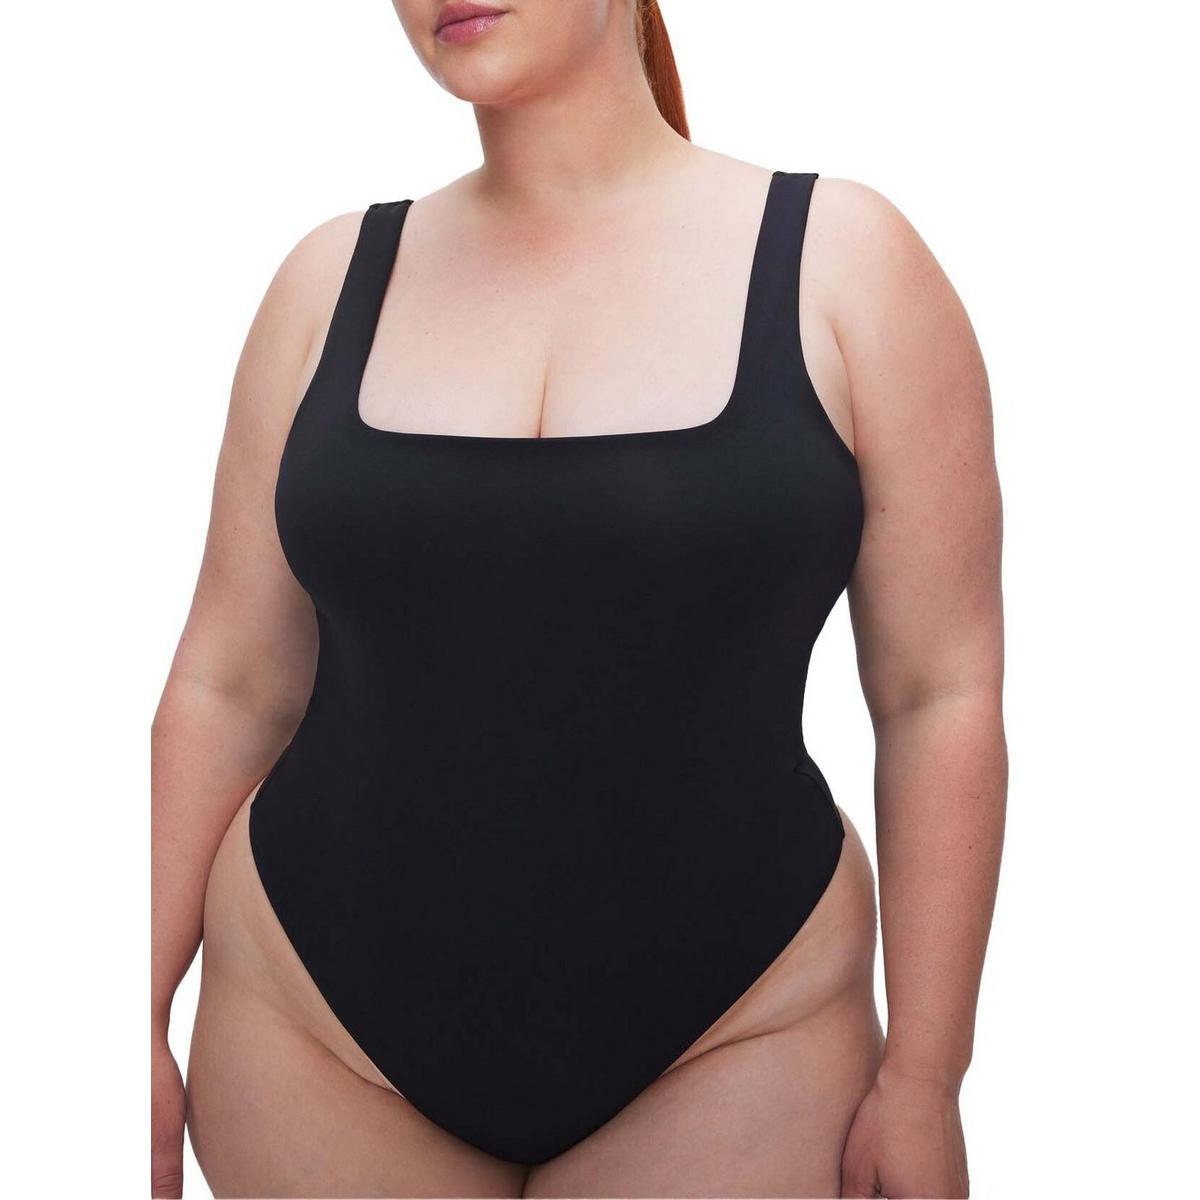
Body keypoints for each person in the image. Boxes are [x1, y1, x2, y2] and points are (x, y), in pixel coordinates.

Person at [151, 1, 1007, 1196]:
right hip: (312, 1030)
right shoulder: (325, 281)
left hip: (739, 1034)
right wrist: (129, 1016)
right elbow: (229, 680)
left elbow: (936, 695)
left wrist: (927, 1076)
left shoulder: (847, 263)